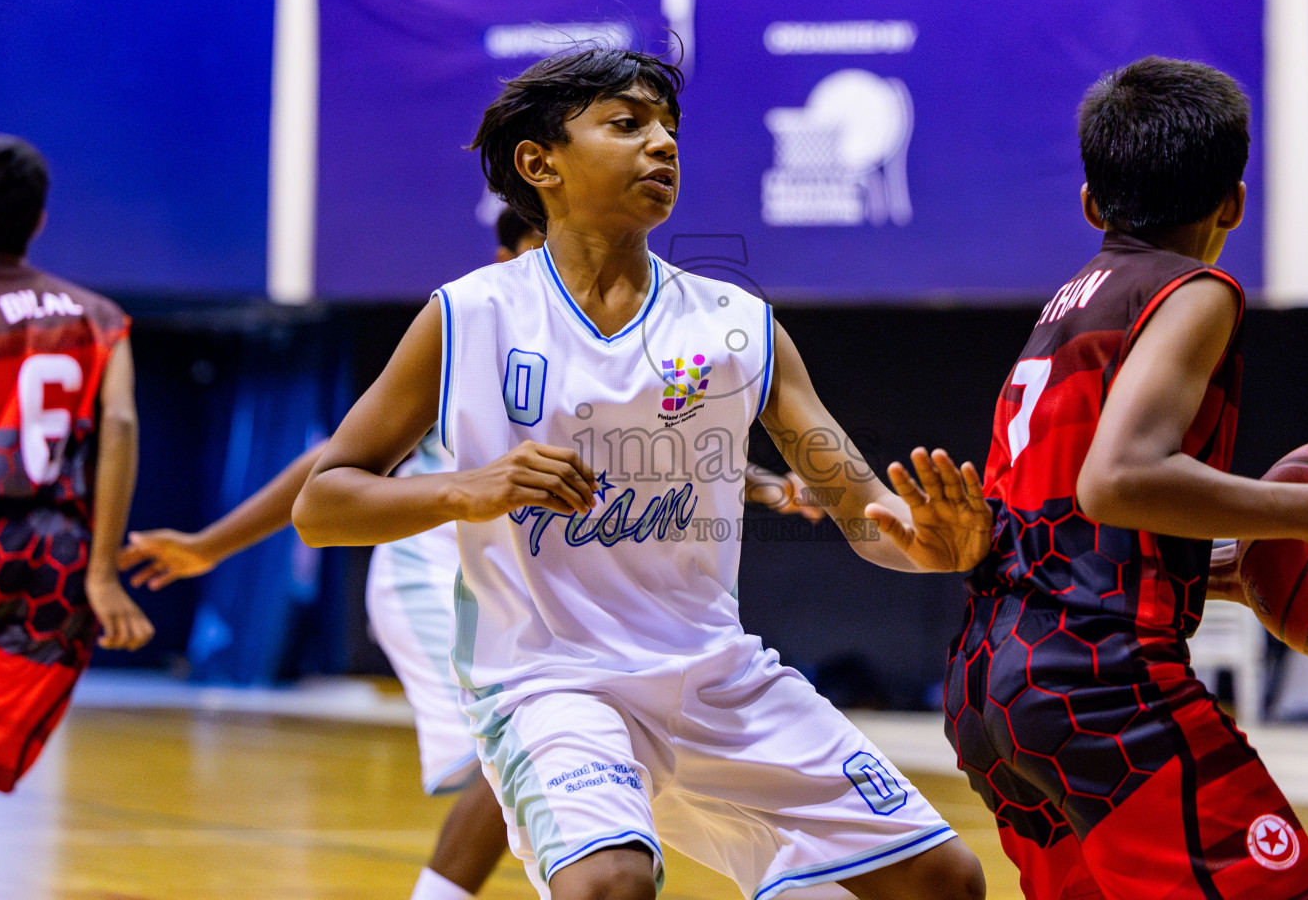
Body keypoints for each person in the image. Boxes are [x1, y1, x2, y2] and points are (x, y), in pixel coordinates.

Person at [291, 46, 990, 900]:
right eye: (627, 124)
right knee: (611, 883)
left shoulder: (739, 325)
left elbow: (862, 513)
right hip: (550, 680)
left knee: (945, 880)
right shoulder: (466, 317)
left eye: (670, 128)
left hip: (714, 675)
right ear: (538, 163)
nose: (662, 145)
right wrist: (464, 490)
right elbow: (322, 505)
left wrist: (926, 544)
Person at [120, 205, 825, 900]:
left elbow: (657, 460)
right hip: (433, 567)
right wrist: (210, 545)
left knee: (574, 750)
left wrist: (766, 489)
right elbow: (321, 473)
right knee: (539, 736)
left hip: (528, 578)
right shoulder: (480, 332)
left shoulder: (614, 341)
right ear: (510, 257)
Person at [928, 57, 1308, 900]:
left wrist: (1214, 571)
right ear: (1235, 203)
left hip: (990, 685)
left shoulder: (1070, 303)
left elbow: (1063, 521)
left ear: (1092, 206)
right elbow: (1121, 479)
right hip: (1095, 687)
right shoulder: (1194, 290)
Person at [0, 135, 154, 859]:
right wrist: (102, 572)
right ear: (40, 219)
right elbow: (122, 425)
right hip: (55, 566)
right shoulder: (99, 317)